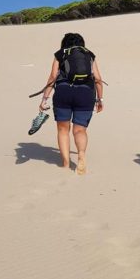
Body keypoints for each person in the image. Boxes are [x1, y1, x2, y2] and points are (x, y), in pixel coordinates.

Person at [38, 33, 104, 174]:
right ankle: (81, 155)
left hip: (63, 92)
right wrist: (100, 99)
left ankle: (66, 164)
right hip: (86, 94)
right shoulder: (89, 55)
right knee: (80, 130)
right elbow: (98, 79)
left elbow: (52, 77)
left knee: (63, 130)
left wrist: (44, 99)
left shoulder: (60, 54)